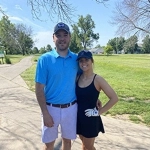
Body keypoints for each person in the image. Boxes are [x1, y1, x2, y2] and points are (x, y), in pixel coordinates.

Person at [35, 22, 79, 150]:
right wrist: (45, 113)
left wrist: (94, 97)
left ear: (70, 37)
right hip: (50, 109)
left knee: (67, 141)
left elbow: (84, 80)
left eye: (65, 35)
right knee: (49, 144)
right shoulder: (45, 59)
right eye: (58, 35)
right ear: (53, 38)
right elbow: (39, 89)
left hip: (71, 108)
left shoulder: (76, 59)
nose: (62, 38)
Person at [76, 50, 118, 150]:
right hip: (78, 116)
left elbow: (114, 98)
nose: (84, 63)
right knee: (84, 145)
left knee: (88, 146)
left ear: (92, 61)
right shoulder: (77, 77)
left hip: (91, 118)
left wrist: (98, 112)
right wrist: (95, 98)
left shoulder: (98, 79)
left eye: (86, 60)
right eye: (81, 61)